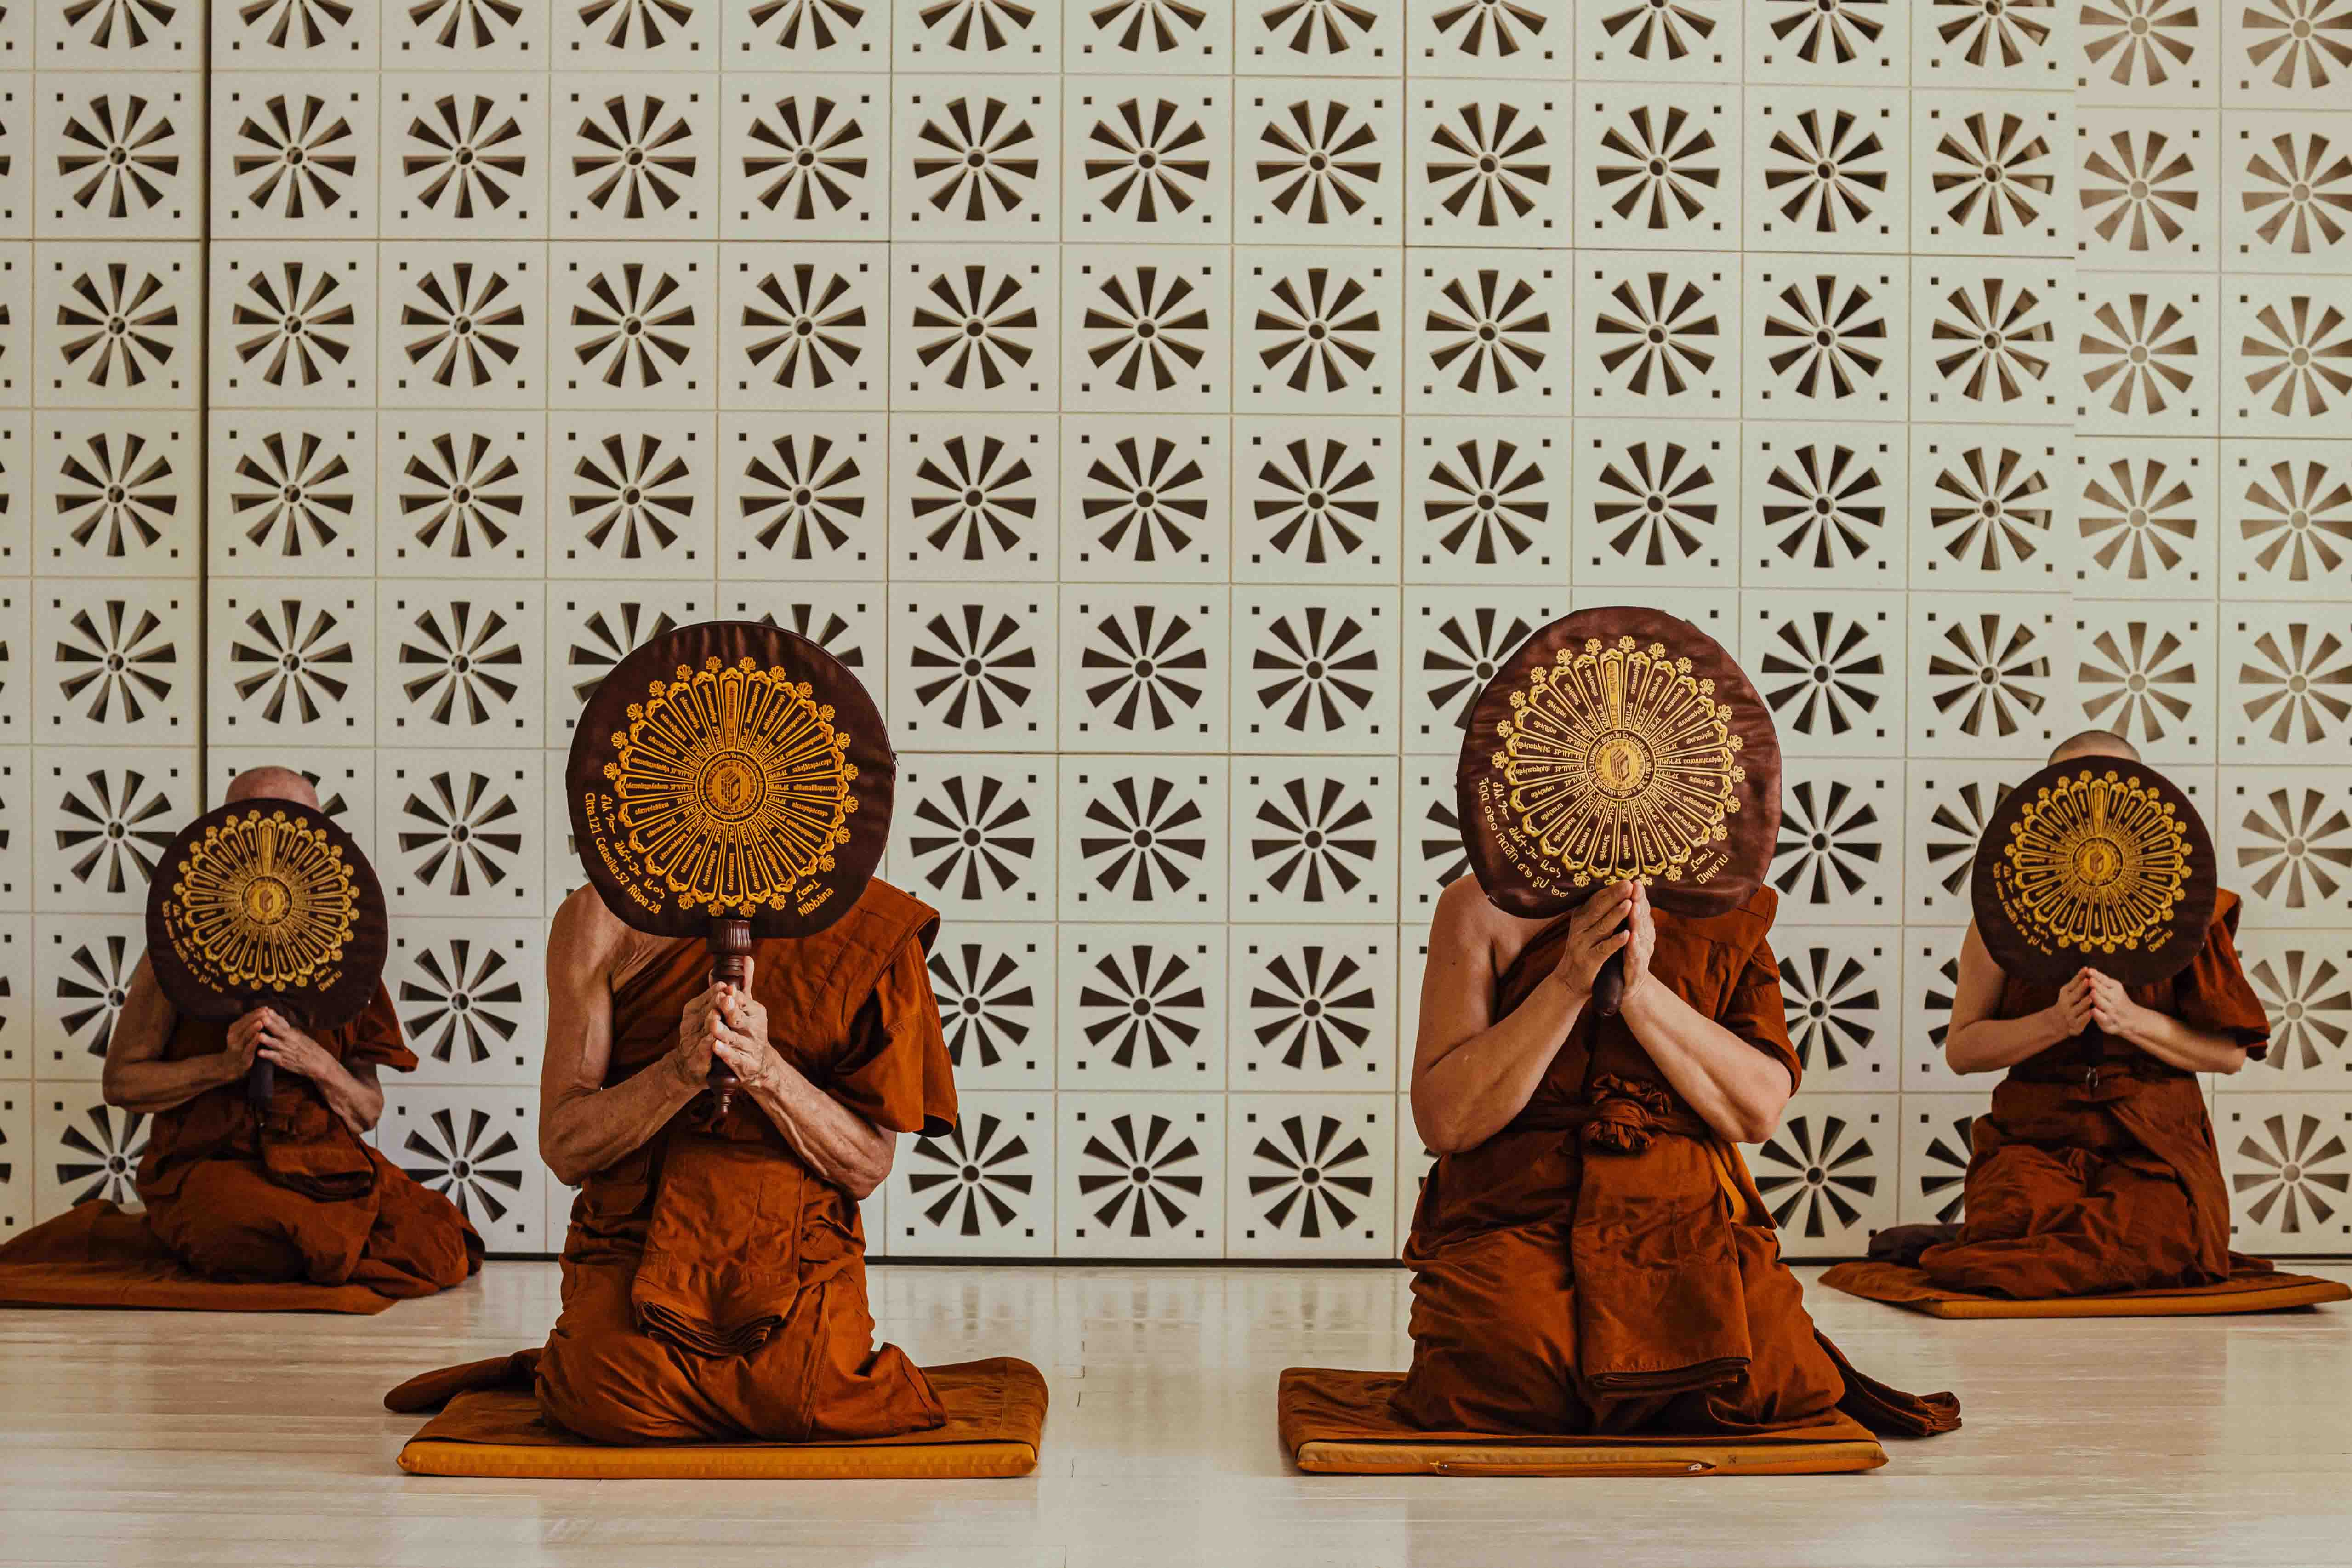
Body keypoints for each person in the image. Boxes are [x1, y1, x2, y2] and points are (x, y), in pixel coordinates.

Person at [1395, 873, 1955, 1437]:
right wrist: (1567, 982)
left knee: (1773, 1374)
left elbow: (1757, 1111)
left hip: (1683, 1202)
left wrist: (1640, 990)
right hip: (1520, 1197)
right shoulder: (1480, 904)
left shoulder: (1721, 904)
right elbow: (1445, 1121)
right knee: (1502, 1366)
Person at [499, 874, 954, 1443]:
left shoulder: (869, 922)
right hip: (643, 1229)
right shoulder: (600, 916)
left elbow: (866, 1166)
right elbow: (564, 1145)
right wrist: (680, 1072)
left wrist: (764, 1069)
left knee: (813, 1388)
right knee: (599, 1395)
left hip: (793, 1235)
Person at [0, 767, 481, 1302]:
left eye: (293, 828)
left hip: (325, 1164)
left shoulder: (348, 959)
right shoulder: (178, 950)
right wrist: (224, 1066)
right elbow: (122, 1084)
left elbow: (367, 1110)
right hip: (213, 1162)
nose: (272, 850)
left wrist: (312, 1060)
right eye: (253, 826)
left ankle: (320, 1246)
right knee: (250, 1237)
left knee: (439, 1244)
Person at [1876, 730, 2271, 1299]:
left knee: (2158, 1239)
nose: (2094, 814)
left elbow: (2229, 1056)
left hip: (2151, 1141)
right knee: (2012, 1226)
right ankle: (1977, 1236)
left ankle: (1962, 1241)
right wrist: (2054, 1024)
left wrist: (2129, 1019)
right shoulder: (2002, 916)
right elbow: (1962, 1050)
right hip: (2037, 1137)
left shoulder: (2187, 911)